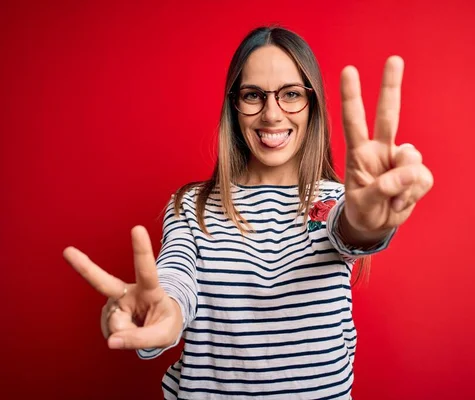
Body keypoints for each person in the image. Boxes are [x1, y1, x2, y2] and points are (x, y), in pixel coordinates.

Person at [63, 26, 433, 400]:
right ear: (234, 106)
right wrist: (160, 311)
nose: (272, 114)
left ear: (312, 104)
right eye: (253, 95)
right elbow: (175, 281)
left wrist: (368, 222)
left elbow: (349, 228)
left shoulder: (339, 200)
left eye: (290, 94)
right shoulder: (191, 205)